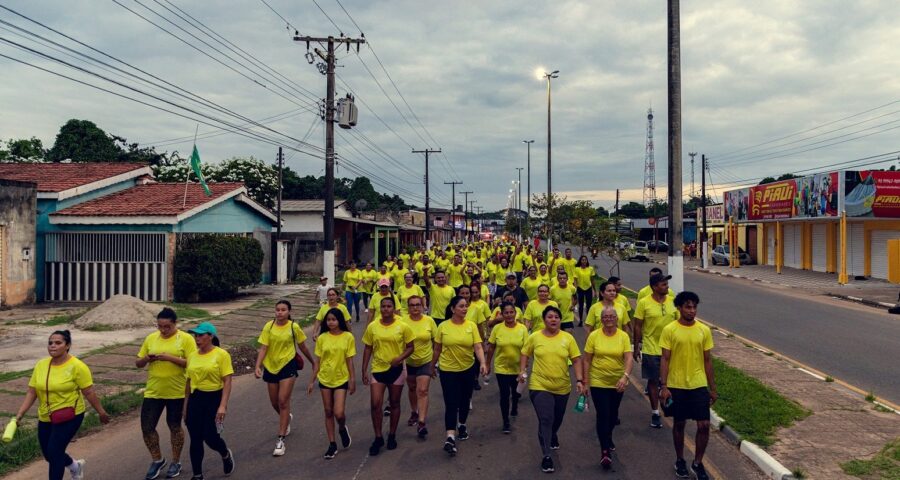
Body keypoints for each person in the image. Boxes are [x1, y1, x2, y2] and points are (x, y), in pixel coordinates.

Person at [11, 330, 109, 480]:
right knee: (49, 454)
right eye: (50, 343)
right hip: (46, 415)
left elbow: (89, 392)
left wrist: (101, 412)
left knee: (55, 451)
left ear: (67, 345)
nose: (52, 346)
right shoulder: (41, 365)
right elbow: (32, 392)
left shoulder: (77, 366)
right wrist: (19, 415)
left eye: (58, 343)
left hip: (70, 415)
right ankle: (75, 466)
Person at [518, 306, 584, 474]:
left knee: (557, 419)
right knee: (546, 418)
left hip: (562, 387)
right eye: (550, 317)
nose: (553, 320)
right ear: (544, 319)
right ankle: (547, 455)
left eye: (556, 317)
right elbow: (525, 353)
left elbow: (576, 360)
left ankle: (552, 433)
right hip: (539, 385)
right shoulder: (535, 337)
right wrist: (522, 370)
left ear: (560, 320)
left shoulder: (568, 338)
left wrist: (579, 380)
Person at [660, 292, 717, 480]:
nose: (692, 311)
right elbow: (665, 359)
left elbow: (707, 360)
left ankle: (698, 463)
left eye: (694, 307)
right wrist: (664, 386)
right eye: (688, 307)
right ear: (679, 308)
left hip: (698, 384)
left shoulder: (704, 330)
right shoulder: (670, 330)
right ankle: (680, 460)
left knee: (704, 425)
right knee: (679, 423)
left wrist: (713, 388)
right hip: (676, 385)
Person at [136, 307, 196, 479]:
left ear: (175, 324)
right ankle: (157, 459)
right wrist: (147, 358)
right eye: (160, 326)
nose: (163, 330)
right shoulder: (150, 338)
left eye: (167, 326)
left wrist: (170, 357)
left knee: (174, 426)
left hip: (177, 392)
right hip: (153, 391)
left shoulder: (185, 339)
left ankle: (176, 461)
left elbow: (192, 363)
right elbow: (138, 363)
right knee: (147, 427)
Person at [254, 300, 314, 456]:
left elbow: (303, 347)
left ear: (289, 312)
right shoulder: (269, 326)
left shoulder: (294, 327)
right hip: (271, 366)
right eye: (277, 310)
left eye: (283, 310)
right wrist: (257, 366)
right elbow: (264, 347)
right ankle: (286, 417)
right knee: (274, 402)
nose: (280, 312)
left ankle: (280, 441)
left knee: (282, 401)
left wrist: (313, 362)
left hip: (288, 365)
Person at [432, 296, 489, 457]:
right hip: (448, 370)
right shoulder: (443, 326)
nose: (465, 309)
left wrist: (483, 363)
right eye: (461, 306)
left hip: (467, 369)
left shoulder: (471, 326)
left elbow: (477, 346)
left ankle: (462, 424)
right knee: (451, 403)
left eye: (466, 306)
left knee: (465, 401)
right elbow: (437, 349)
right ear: (453, 309)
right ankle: (450, 437)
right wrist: (432, 366)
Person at [361, 296, 415, 456]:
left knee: (394, 403)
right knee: (375, 404)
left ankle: (392, 434)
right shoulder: (373, 327)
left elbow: (411, 347)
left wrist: (400, 358)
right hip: (378, 369)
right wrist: (363, 370)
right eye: (383, 306)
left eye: (388, 306)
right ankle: (378, 437)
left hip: (396, 370)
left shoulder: (403, 326)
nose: (386, 309)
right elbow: (368, 348)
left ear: (393, 308)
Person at [582, 306, 633, 470]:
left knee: (613, 415)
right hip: (598, 381)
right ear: (601, 319)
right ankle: (605, 451)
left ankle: (608, 435)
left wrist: (625, 376)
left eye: (612, 316)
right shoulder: (594, 336)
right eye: (605, 316)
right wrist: (585, 382)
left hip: (618, 382)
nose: (609, 318)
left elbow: (628, 358)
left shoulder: (623, 336)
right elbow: (587, 360)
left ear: (616, 319)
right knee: (603, 414)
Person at [184, 322, 235, 479]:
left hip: (214, 397)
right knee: (195, 438)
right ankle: (197, 475)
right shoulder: (192, 355)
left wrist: (222, 406)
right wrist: (185, 407)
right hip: (195, 398)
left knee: (210, 437)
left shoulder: (221, 354)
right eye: (195, 335)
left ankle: (225, 454)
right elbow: (188, 381)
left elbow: (227, 380)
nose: (197, 338)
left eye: (200, 335)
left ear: (211, 336)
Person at [633, 273, 680, 429]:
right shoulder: (644, 303)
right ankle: (655, 412)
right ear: (654, 287)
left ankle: (667, 403)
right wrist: (636, 346)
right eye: (663, 284)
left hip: (670, 350)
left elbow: (679, 323)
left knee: (669, 381)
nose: (667, 287)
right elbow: (638, 325)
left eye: (667, 284)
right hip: (651, 348)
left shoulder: (673, 302)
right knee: (653, 381)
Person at [308, 307, 356, 459]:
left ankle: (342, 428)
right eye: (328, 320)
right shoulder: (322, 338)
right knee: (328, 411)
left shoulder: (348, 337)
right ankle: (332, 444)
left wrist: (352, 379)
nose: (331, 322)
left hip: (341, 378)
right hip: (325, 378)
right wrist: (312, 380)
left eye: (334, 319)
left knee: (339, 412)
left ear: (339, 320)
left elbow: (350, 360)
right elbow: (318, 361)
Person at [485, 302, 528, 434]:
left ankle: (514, 405)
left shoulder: (522, 329)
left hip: (517, 368)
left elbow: (525, 350)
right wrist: (487, 364)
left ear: (515, 313)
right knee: (504, 395)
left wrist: (524, 367)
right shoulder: (498, 329)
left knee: (515, 393)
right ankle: (506, 421)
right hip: (502, 367)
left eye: (511, 312)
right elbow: (491, 347)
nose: (509, 315)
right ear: (502, 314)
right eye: (506, 313)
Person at [400, 295, 438, 438]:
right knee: (412, 388)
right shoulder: (403, 322)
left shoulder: (429, 321)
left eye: (418, 305)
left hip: (425, 361)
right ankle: (414, 411)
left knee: (422, 390)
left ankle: (422, 422)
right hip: (408, 362)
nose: (415, 308)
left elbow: (436, 342)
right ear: (408, 307)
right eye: (412, 305)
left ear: (422, 306)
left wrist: (435, 363)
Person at [573, 256, 596, 327]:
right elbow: (575, 280)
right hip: (580, 289)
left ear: (587, 261)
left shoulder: (590, 269)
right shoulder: (577, 269)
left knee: (589, 306)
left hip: (588, 288)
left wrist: (594, 290)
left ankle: (588, 320)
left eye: (585, 260)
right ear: (580, 261)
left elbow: (592, 280)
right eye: (582, 260)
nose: (584, 261)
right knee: (581, 306)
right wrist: (575, 289)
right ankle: (580, 320)